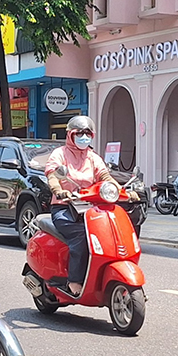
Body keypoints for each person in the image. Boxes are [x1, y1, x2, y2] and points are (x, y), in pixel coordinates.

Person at [45, 116, 137, 296]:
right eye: (79, 133)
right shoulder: (60, 154)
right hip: (65, 208)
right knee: (81, 236)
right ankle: (74, 280)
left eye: (87, 133)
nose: (83, 137)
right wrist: (59, 190)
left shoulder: (93, 157)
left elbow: (105, 178)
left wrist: (123, 192)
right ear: (70, 135)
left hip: (91, 209)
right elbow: (53, 175)